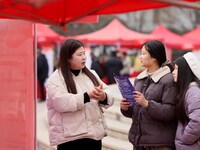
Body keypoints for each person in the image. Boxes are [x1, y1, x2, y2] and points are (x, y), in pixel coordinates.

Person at [46, 39, 115, 150]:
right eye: (79, 54)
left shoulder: (91, 74)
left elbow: (108, 93)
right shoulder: (56, 79)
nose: (84, 57)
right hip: (71, 139)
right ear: (68, 57)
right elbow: (61, 103)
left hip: (94, 137)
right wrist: (87, 96)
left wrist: (103, 96)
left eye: (84, 53)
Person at [120, 40, 177, 150]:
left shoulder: (169, 80)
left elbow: (170, 112)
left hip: (159, 144)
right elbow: (135, 112)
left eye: (143, 53)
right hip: (138, 141)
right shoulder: (139, 79)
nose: (140, 57)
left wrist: (147, 104)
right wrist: (126, 108)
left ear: (154, 57)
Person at [172, 52, 200, 150]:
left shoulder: (193, 92)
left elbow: (198, 120)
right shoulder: (186, 90)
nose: (173, 72)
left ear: (184, 71)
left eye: (176, 69)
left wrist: (185, 139)